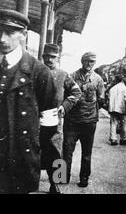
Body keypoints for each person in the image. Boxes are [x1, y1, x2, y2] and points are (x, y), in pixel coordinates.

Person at [0, 9, 57, 194]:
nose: (2, 38)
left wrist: (29, 145)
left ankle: (58, 183)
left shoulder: (39, 72)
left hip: (22, 157)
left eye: (9, 32)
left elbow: (49, 124)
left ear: (23, 35)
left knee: (59, 156)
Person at [41, 43, 81, 194]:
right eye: (47, 56)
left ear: (57, 58)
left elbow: (76, 92)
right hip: (36, 119)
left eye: (53, 57)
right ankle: (30, 182)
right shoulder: (35, 71)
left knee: (57, 153)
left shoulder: (63, 75)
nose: (50, 59)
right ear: (43, 57)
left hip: (55, 121)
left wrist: (64, 106)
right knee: (33, 151)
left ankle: (55, 185)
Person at [63, 52, 105, 188]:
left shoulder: (98, 79)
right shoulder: (72, 76)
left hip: (89, 122)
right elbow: (65, 97)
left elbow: (102, 99)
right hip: (72, 121)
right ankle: (63, 176)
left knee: (87, 152)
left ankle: (84, 178)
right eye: (87, 61)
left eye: (92, 61)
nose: (89, 64)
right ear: (82, 61)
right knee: (67, 150)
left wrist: (91, 112)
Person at [108, 74, 126, 145]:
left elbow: (109, 99)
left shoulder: (112, 89)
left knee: (113, 123)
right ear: (122, 80)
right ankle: (123, 139)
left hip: (113, 109)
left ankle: (113, 139)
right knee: (124, 124)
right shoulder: (125, 88)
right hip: (122, 109)